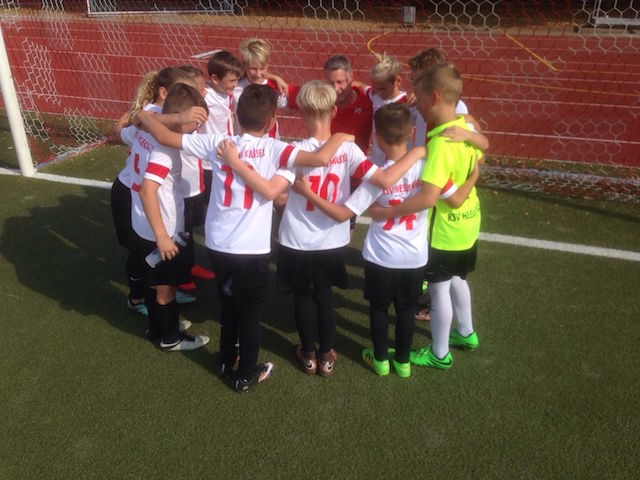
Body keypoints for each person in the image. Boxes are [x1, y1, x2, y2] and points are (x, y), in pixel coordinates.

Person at [135, 84, 352, 392]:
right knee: (250, 314)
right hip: (251, 249)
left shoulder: (219, 142)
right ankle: (246, 374)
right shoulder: (276, 149)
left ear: (236, 116)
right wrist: (340, 137)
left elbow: (164, 136)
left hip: (218, 245)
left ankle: (225, 362)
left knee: (228, 305)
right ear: (272, 119)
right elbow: (320, 159)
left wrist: (144, 114)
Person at [244, 81, 423, 377]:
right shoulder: (348, 149)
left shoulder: (293, 151)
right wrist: (416, 154)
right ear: (334, 111)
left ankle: (308, 355)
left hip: (297, 239)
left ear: (302, 113)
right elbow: (384, 179)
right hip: (332, 240)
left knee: (303, 296)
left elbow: (276, 192)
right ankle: (327, 355)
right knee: (325, 295)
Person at [295, 102, 479, 377]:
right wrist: (474, 175)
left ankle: (380, 360)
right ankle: (403, 363)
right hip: (414, 257)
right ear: (412, 132)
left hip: (380, 257)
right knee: (406, 310)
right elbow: (456, 199)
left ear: (378, 138)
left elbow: (346, 212)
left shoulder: (376, 175)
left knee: (379, 309)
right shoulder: (429, 168)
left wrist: (309, 194)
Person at [369, 64, 484, 370]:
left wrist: (387, 212)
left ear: (433, 97)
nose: (415, 104)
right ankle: (466, 332)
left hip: (445, 229)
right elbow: (481, 153)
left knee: (438, 288)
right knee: (458, 278)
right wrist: (474, 176)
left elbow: (429, 197)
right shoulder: (464, 128)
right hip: (469, 222)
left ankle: (440, 353)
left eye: (418, 98)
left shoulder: (440, 145)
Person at [111, 67, 198, 317]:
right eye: (183, 91)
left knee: (150, 256)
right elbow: (127, 128)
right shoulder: (153, 121)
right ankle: (139, 299)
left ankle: (161, 293)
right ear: (164, 92)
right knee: (140, 253)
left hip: (143, 192)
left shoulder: (149, 118)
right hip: (131, 191)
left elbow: (130, 126)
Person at [132, 83, 210, 351]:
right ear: (181, 118)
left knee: (154, 283)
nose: (196, 130)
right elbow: (147, 190)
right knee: (166, 288)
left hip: (142, 223)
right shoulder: (165, 150)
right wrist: (163, 237)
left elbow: (136, 118)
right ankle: (170, 338)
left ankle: (156, 327)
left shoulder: (145, 128)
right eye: (195, 123)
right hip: (161, 228)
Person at [175, 64, 217, 291]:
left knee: (189, 229)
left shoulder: (195, 113)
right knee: (181, 231)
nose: (205, 91)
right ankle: (180, 276)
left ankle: (189, 266)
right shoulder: (179, 118)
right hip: (182, 187)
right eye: (201, 88)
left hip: (194, 183)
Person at [236, 38, 293, 138]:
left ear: (267, 65)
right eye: (253, 68)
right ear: (245, 65)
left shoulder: (275, 87)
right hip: (243, 141)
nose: (258, 74)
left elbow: (289, 110)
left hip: (269, 142)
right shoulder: (235, 86)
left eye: (262, 68)